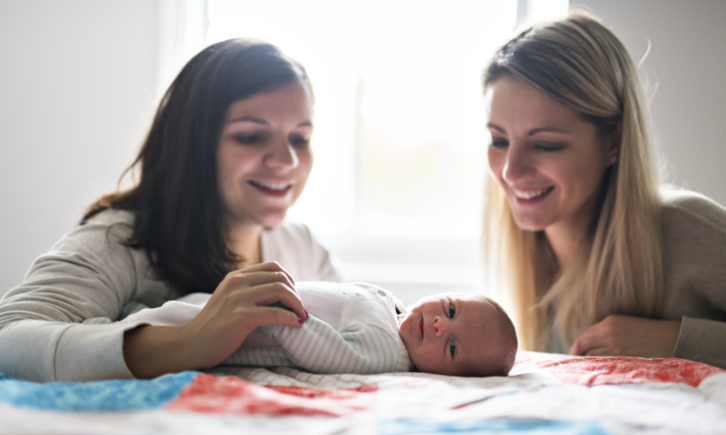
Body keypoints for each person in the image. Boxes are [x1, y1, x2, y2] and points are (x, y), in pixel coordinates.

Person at [0, 39, 342, 382]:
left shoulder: (303, 249)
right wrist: (191, 340)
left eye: (300, 138)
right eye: (251, 137)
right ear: (192, 143)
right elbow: (8, 337)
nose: (287, 161)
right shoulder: (121, 241)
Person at [482, 13, 726, 369]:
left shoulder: (684, 229)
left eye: (546, 145)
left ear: (614, 140)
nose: (510, 170)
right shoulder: (529, 258)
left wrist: (672, 340)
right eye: (498, 140)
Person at [113, 280, 518, 377]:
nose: (436, 325)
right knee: (187, 305)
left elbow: (327, 353)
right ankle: (137, 311)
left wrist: (273, 320)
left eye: (451, 348)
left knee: (176, 321)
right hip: (233, 304)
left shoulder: (385, 353)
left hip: (245, 327)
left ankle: (116, 325)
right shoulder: (389, 309)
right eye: (449, 309)